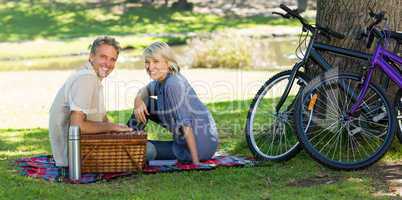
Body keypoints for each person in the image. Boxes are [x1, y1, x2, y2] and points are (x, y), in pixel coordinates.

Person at [127, 41, 218, 165]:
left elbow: (186, 124)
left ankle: (124, 145)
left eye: (155, 61)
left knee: (141, 150)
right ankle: (125, 140)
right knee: (146, 101)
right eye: (147, 62)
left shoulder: (173, 84)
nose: (150, 67)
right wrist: (138, 101)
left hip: (196, 147)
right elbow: (144, 91)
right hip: (189, 142)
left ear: (168, 62)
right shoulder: (161, 80)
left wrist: (195, 162)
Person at [49, 36, 132, 167]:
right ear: (92, 56)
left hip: (86, 149)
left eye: (113, 59)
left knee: (138, 146)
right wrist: (112, 127)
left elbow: (102, 119)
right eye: (103, 57)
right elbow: (77, 126)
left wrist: (117, 130)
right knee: (146, 151)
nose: (108, 64)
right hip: (75, 157)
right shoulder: (86, 79)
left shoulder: (91, 76)